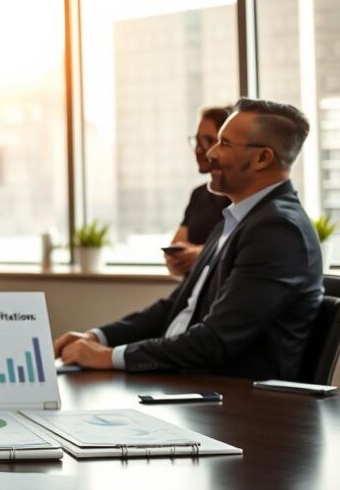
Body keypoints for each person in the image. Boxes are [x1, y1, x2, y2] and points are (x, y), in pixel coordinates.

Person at [54, 99, 322, 381]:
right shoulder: (234, 221)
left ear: (262, 159)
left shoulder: (278, 231)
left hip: (230, 403)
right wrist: (99, 337)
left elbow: (215, 341)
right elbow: (178, 306)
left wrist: (110, 357)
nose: (211, 153)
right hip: (187, 386)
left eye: (224, 144)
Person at [164, 106, 232, 276]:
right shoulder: (199, 194)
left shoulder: (242, 197)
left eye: (208, 141)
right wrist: (176, 260)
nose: (198, 149)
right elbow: (177, 244)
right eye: (197, 140)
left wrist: (203, 255)